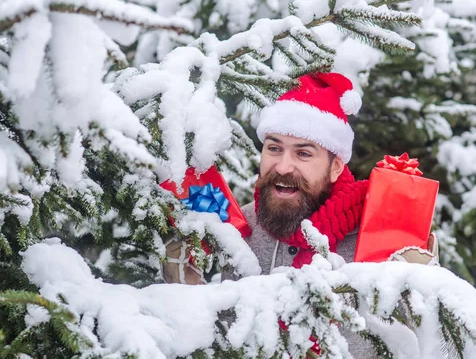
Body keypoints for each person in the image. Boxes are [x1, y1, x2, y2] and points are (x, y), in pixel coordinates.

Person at [163, 72, 439, 356]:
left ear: (335, 167)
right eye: (274, 148)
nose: (283, 167)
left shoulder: (378, 238)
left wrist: (426, 289)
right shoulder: (238, 229)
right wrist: (185, 289)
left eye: (303, 154)